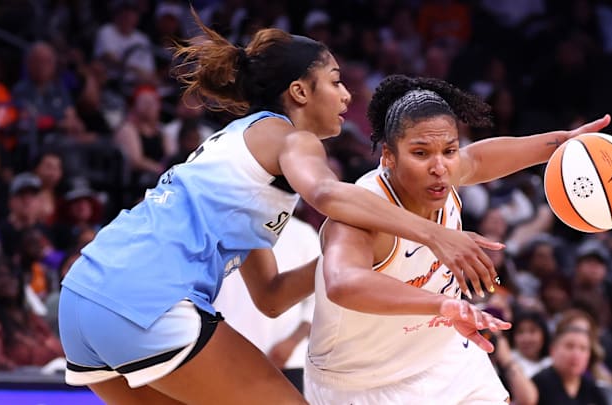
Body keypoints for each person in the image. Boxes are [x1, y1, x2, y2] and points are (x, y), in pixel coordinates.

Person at [57, 18, 511, 404]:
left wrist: (364, 255)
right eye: (334, 81)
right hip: (143, 297)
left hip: (82, 300)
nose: (347, 96)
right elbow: (328, 195)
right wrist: (433, 235)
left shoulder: (239, 157)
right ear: (298, 92)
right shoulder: (290, 138)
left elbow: (271, 295)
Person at [305, 74, 611, 404]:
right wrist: (443, 305)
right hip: (362, 380)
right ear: (388, 157)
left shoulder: (444, 174)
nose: (440, 167)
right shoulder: (362, 213)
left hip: (443, 358)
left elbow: (478, 158)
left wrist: (561, 143)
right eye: (420, 153)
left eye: (450, 151)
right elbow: (342, 282)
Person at [213, 216, 320, 393]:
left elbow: (317, 301)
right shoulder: (225, 224)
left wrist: (291, 342)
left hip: (288, 361)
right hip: (225, 357)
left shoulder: (303, 233)